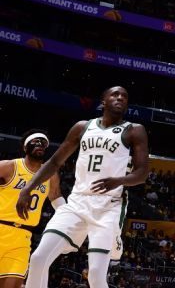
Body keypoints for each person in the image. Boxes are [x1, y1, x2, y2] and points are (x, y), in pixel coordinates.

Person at [20, 87, 149, 288]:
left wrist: (119, 180)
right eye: (115, 94)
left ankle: (115, 236)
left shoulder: (134, 130)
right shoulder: (82, 127)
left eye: (124, 96)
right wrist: (28, 188)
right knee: (38, 259)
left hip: (107, 206)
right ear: (103, 100)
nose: (120, 98)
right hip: (77, 202)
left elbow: (142, 174)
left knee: (96, 276)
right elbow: (55, 162)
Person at [0, 131, 62, 288]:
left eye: (43, 143)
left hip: (23, 238)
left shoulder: (51, 175)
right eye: (35, 141)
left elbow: (57, 200)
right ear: (25, 147)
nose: (40, 144)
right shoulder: (8, 166)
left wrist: (74, 222)